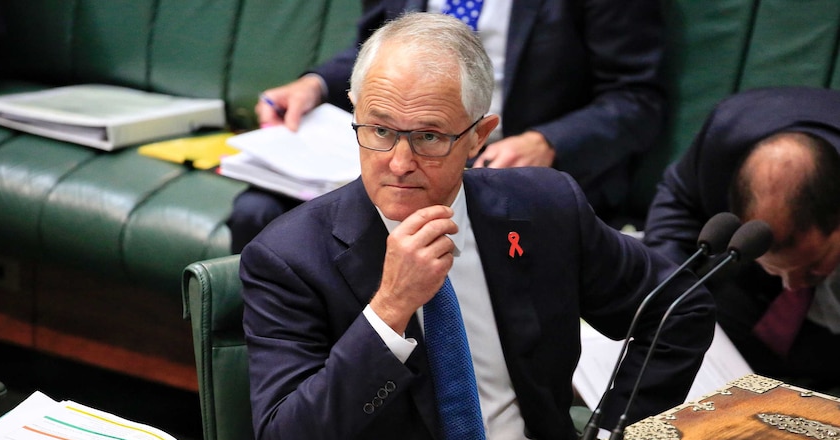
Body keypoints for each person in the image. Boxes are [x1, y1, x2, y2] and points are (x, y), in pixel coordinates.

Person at [241, 12, 713, 440]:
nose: (399, 163)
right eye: (380, 131)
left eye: (428, 136)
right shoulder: (288, 259)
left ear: (478, 137)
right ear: (355, 112)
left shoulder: (544, 209)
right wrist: (389, 310)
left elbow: (678, 306)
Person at [228, 0, 666, 253]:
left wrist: (547, 142)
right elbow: (380, 51)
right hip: (399, 143)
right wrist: (315, 84)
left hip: (505, 162)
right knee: (259, 212)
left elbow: (637, 99)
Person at [643, 86, 840, 394]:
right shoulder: (726, 136)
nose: (793, 284)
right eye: (779, 268)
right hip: (747, 285)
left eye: (812, 266)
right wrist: (668, 289)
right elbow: (679, 201)